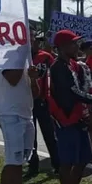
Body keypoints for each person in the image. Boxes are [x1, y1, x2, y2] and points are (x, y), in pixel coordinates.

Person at [48, 29, 92, 184]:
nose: (77, 46)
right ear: (63, 47)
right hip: (67, 120)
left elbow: (86, 84)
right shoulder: (59, 67)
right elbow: (74, 92)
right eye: (74, 43)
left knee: (82, 160)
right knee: (67, 164)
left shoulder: (72, 65)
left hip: (79, 118)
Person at [0, 63, 40, 184]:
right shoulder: (5, 58)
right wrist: (21, 59)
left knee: (20, 161)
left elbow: (36, 93)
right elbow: (12, 80)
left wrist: (34, 79)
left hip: (27, 115)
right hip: (10, 116)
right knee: (12, 161)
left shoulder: (25, 60)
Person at [29, 38, 60, 175]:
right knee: (31, 136)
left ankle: (57, 164)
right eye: (33, 40)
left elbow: (54, 75)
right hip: (26, 102)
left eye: (37, 40)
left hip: (42, 101)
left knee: (50, 135)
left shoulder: (46, 57)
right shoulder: (21, 58)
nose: (36, 43)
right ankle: (33, 165)